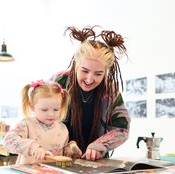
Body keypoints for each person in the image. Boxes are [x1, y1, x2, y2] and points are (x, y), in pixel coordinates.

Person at [52, 25, 131, 161]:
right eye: (84, 71)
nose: (89, 79)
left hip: (95, 161)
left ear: (106, 72)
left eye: (98, 74)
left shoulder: (110, 90)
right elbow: (39, 115)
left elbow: (121, 129)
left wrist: (99, 145)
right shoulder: (60, 81)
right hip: (58, 159)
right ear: (76, 64)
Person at [3, 80, 76, 165]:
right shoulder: (26, 124)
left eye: (56, 109)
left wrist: (71, 151)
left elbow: (62, 155)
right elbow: (8, 141)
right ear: (32, 107)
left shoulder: (62, 129)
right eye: (44, 110)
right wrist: (33, 148)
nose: (51, 114)